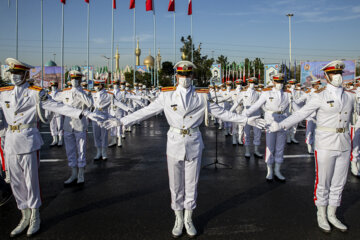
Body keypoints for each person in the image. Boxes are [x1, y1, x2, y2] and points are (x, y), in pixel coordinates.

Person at [102, 61, 265, 238]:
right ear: (176, 75)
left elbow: (221, 112)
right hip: (174, 141)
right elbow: (146, 111)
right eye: (181, 74)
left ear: (192, 76)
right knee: (175, 184)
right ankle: (178, 217)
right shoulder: (167, 95)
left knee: (192, 183)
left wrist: (246, 120)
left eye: (188, 75)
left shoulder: (201, 96)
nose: (184, 78)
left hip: (194, 141)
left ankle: (189, 217)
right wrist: (121, 121)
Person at [0, 58, 102, 237]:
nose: (15, 77)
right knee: (16, 182)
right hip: (10, 141)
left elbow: (58, 106)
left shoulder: (35, 93)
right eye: (12, 74)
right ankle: (24, 215)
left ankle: (35, 215)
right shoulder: (4, 93)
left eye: (18, 74)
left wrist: (83, 112)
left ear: (25, 74)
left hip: (28, 139)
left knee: (31, 182)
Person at [269, 60, 353, 233]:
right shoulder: (319, 96)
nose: (337, 76)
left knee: (339, 182)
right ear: (327, 76)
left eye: (339, 73)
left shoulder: (350, 96)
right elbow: (301, 113)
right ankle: (321, 214)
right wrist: (281, 125)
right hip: (325, 143)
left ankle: (332, 214)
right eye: (333, 73)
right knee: (323, 181)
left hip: (344, 142)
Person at [244, 73, 295, 182]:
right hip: (270, 122)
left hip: (283, 122)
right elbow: (256, 105)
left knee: (280, 147)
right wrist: (245, 114)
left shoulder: (287, 94)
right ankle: (269, 170)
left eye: (281, 82)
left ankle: (277, 170)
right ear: (273, 82)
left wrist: (289, 123)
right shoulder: (267, 93)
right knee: (270, 147)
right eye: (277, 82)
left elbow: (290, 109)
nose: (279, 84)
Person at [53, 68, 94, 186]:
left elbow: (90, 104)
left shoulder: (85, 92)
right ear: (70, 80)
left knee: (81, 149)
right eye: (72, 79)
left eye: (77, 79)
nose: (74, 81)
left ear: (80, 80)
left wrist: (80, 94)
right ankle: (73, 173)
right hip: (67, 125)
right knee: (70, 150)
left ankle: (81, 173)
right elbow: (54, 98)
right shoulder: (65, 92)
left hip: (80, 124)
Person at [230, 77, 263, 157]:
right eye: (251, 83)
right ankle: (247, 151)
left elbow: (262, 104)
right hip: (246, 114)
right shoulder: (243, 93)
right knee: (246, 133)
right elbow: (236, 103)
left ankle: (256, 150)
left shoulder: (259, 93)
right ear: (248, 84)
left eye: (254, 83)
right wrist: (230, 111)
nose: (252, 85)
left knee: (257, 133)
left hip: (256, 115)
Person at [48, 81, 64, 147]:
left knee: (60, 126)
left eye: (54, 86)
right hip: (51, 112)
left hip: (58, 111)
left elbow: (62, 102)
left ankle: (60, 139)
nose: (53, 87)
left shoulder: (60, 94)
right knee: (52, 126)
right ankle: (54, 139)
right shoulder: (48, 94)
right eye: (52, 86)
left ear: (57, 87)